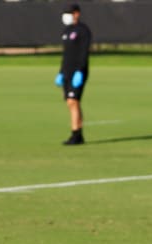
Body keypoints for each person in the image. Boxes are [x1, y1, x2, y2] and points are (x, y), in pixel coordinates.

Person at [55, 3, 91, 145]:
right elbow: (66, 55)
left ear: (77, 13)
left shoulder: (83, 30)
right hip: (67, 72)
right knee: (70, 103)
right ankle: (78, 134)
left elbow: (83, 52)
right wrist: (61, 72)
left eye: (69, 13)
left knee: (73, 101)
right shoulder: (66, 31)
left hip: (78, 71)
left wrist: (80, 71)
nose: (67, 15)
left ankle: (76, 134)